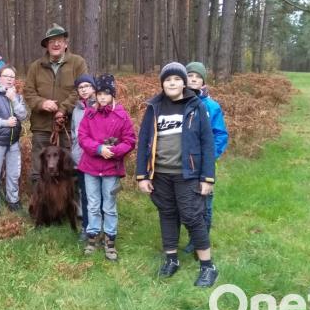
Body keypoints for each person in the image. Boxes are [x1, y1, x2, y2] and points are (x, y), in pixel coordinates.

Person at [135, 62, 219, 287]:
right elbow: (143, 141)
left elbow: (207, 143)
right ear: (162, 83)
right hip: (160, 174)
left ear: (184, 83)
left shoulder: (195, 106)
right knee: (167, 213)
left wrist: (207, 178)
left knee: (192, 216)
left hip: (188, 174)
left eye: (177, 79)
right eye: (167, 80)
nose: (172, 83)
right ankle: (171, 260)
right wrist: (142, 175)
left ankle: (208, 266)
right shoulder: (154, 107)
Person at [77, 74, 136, 261]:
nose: (102, 97)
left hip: (111, 168)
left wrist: (115, 151)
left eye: (106, 93)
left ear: (112, 94)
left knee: (109, 206)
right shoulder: (89, 114)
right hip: (91, 167)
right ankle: (93, 235)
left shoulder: (121, 115)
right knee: (93, 204)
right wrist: (99, 148)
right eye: (100, 93)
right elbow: (83, 137)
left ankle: (110, 239)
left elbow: (130, 140)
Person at [23, 23, 89, 185]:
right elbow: (28, 92)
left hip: (67, 127)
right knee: (39, 171)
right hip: (42, 128)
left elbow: (80, 90)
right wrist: (42, 103)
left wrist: (63, 109)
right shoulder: (35, 67)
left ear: (66, 44)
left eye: (59, 40)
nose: (56, 44)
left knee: (67, 169)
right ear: (46, 45)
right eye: (51, 41)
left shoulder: (77, 63)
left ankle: (67, 207)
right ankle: (39, 207)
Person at [183, 61, 229, 254]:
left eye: (197, 77)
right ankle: (193, 236)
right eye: (190, 76)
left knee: (205, 203)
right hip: (184, 163)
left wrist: (211, 155)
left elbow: (220, 134)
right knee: (186, 204)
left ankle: (200, 241)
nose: (193, 79)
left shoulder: (212, 106)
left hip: (204, 164)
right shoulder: (178, 102)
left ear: (203, 82)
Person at [0, 65, 28, 215]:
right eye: (6, 76)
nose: (9, 79)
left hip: (13, 141)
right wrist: (5, 123)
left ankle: (13, 200)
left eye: (12, 77)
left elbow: (23, 116)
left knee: (14, 173)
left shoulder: (17, 96)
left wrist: (14, 99)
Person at [71, 74, 97, 242]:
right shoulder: (76, 110)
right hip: (80, 158)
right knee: (85, 194)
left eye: (87, 86)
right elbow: (74, 134)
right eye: (81, 87)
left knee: (98, 195)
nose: (84, 89)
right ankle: (86, 227)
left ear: (93, 88)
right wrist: (74, 153)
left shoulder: (100, 106)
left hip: (96, 158)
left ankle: (101, 227)